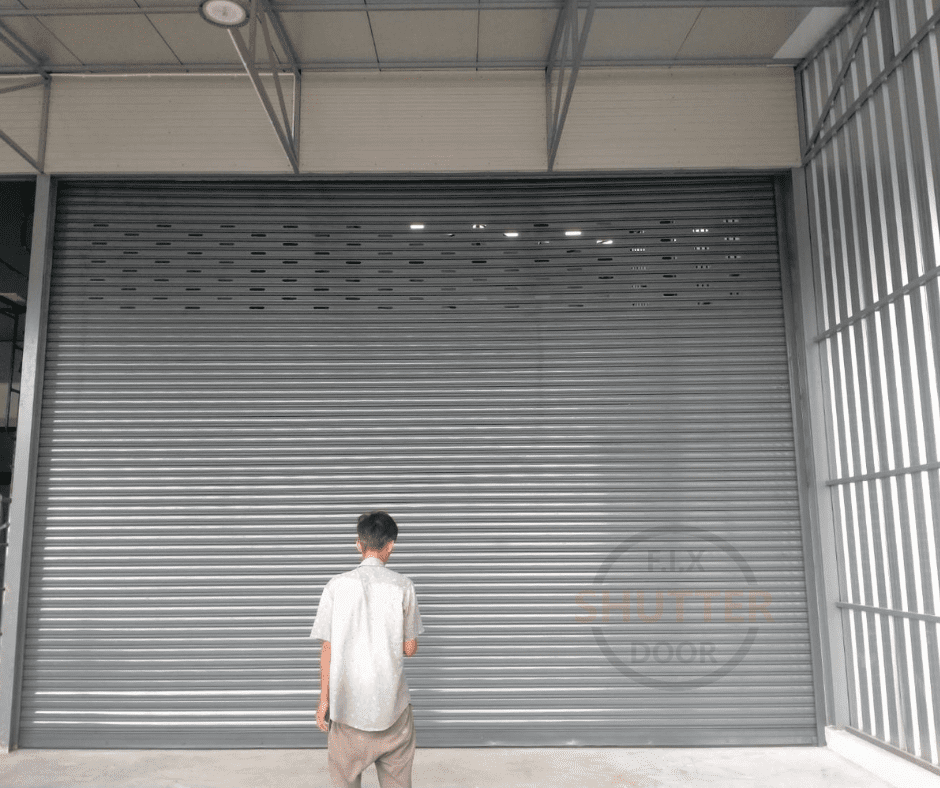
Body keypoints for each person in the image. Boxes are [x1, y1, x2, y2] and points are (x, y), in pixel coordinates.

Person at [311, 511, 425, 788]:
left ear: (358, 544)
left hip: (346, 709)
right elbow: (410, 649)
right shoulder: (404, 586)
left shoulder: (336, 586)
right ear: (391, 545)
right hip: (393, 711)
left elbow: (327, 648)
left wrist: (324, 701)